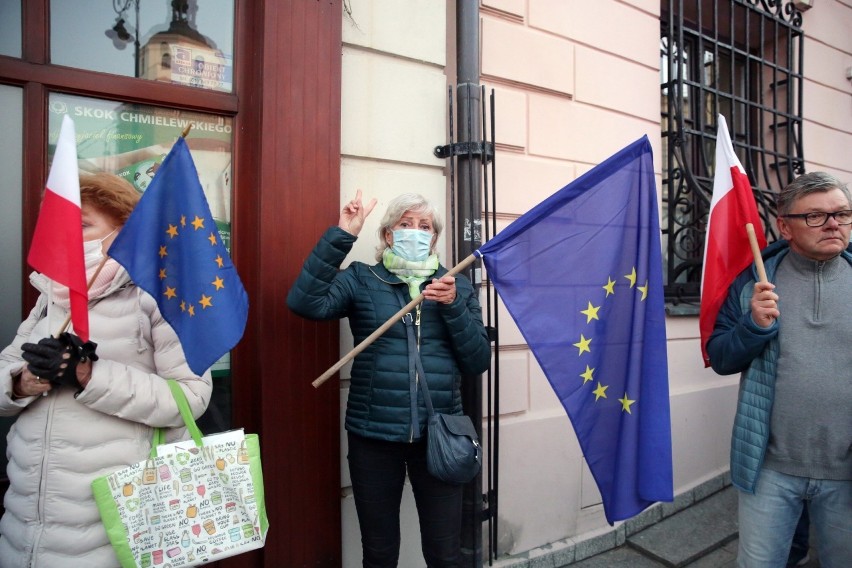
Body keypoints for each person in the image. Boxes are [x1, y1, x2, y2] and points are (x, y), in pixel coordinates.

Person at [0, 173, 212, 567]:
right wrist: (25, 380)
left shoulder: (157, 296)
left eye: (82, 225)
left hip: (117, 521)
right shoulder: (50, 296)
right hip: (26, 523)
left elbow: (191, 395)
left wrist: (87, 375)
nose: (67, 235)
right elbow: (5, 373)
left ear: (124, 230)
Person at [287, 191, 491, 567]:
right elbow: (304, 302)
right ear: (387, 234)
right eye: (405, 224)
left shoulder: (456, 285)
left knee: (445, 553)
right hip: (374, 437)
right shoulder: (363, 280)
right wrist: (342, 233)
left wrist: (452, 307)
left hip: (439, 435)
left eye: (424, 226)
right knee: (379, 551)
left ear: (434, 238)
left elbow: (477, 360)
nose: (415, 232)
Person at [707, 171, 852, 567]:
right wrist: (753, 326)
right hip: (770, 469)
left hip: (846, 473)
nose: (833, 224)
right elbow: (720, 357)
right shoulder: (752, 282)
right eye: (816, 216)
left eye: (842, 213)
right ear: (784, 225)